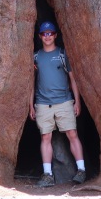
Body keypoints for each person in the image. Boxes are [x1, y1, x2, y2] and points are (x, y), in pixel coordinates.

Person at [29, 21, 86, 187]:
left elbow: (72, 78)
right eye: (44, 34)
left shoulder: (62, 54)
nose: (47, 36)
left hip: (64, 101)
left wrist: (77, 101)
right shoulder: (36, 57)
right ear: (40, 36)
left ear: (55, 35)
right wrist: (30, 104)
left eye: (50, 33)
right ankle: (47, 175)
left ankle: (81, 170)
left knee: (72, 133)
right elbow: (31, 82)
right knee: (45, 136)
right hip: (42, 102)